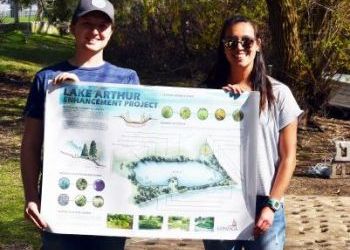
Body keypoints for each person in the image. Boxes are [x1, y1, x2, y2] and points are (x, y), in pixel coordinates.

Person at [20, 0, 139, 249]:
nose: (95, 31)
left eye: (103, 25)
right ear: (73, 27)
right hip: (60, 203)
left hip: (111, 203)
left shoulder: (127, 78)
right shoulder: (46, 80)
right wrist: (31, 197)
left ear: (111, 32)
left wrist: (80, 94)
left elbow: (133, 138)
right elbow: (31, 144)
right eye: (86, 23)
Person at [203, 16, 303, 250]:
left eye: (246, 41)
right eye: (231, 42)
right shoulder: (208, 95)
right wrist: (225, 108)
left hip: (266, 203)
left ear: (258, 44)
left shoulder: (280, 94)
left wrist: (272, 205)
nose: (239, 47)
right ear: (223, 46)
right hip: (220, 200)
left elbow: (289, 158)